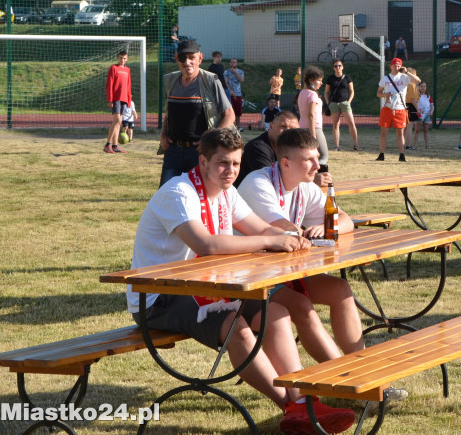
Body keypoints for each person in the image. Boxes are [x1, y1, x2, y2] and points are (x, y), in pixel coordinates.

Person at [126, 127, 357, 435]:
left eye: (235, 163)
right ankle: (291, 407)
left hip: (208, 286)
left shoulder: (226, 192)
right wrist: (269, 243)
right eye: (223, 163)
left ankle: (304, 401)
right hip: (157, 296)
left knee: (278, 312)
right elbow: (206, 245)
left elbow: (261, 229)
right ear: (203, 161)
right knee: (238, 327)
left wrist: (290, 237)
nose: (231, 171)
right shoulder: (179, 192)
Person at [237, 129, 365, 366]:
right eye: (309, 160)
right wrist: (318, 229)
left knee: (340, 289)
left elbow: (346, 220)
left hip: (283, 270)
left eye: (317, 157)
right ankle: (346, 378)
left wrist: (328, 229)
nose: (318, 165)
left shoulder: (306, 185)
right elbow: (282, 229)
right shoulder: (258, 183)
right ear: (285, 163)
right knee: (302, 306)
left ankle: (361, 366)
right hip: (251, 276)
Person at [159, 39, 234, 187]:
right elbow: (169, 113)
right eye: (182, 57)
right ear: (176, 59)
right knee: (166, 197)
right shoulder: (169, 80)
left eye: (191, 57)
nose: (187, 62)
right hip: (173, 152)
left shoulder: (211, 81)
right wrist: (163, 134)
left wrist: (210, 140)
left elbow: (229, 115)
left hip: (199, 153)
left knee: (200, 197)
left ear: (200, 58)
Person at [236, 110, 332, 188]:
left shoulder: (292, 148)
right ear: (271, 126)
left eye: (292, 128)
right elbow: (272, 181)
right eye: (283, 127)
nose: (288, 131)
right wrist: (311, 180)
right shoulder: (257, 147)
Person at [376, 57, 419, 162]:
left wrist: (407, 72)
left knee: (400, 133)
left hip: (400, 109)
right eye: (395, 65)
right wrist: (385, 94)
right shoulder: (385, 78)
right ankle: (381, 154)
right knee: (383, 132)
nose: (396, 67)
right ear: (390, 66)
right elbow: (378, 93)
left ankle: (402, 155)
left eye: (398, 65)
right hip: (388, 108)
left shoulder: (404, 77)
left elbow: (418, 80)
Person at [297, 66, 328, 170]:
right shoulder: (312, 94)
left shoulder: (302, 92)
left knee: (306, 156)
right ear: (311, 80)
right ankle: (317, 179)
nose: (321, 83)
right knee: (323, 156)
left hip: (302, 127)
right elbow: (311, 114)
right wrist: (313, 135)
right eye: (319, 80)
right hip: (314, 128)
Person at [324, 60, 358, 152]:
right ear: (333, 68)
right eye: (335, 66)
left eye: (339, 65)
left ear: (342, 67)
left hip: (345, 103)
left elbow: (352, 91)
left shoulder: (347, 78)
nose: (337, 67)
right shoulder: (330, 78)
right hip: (334, 104)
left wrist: (349, 102)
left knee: (351, 123)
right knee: (335, 125)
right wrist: (328, 103)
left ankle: (356, 145)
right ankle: (337, 146)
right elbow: (326, 92)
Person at [105, 49, 132, 154]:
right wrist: (110, 99)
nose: (122, 60)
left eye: (124, 58)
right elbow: (109, 85)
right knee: (116, 121)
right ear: (118, 58)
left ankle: (115, 145)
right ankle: (108, 144)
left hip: (124, 99)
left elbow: (128, 86)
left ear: (127, 59)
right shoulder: (113, 68)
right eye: (121, 58)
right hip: (116, 98)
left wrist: (129, 100)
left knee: (119, 122)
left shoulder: (127, 70)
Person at [224, 58, 245, 130]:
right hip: (228, 94)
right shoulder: (226, 72)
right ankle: (231, 126)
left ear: (237, 63)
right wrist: (230, 91)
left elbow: (241, 80)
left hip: (238, 94)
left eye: (234, 62)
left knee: (238, 111)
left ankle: (238, 126)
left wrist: (235, 72)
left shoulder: (240, 72)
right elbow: (225, 83)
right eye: (231, 62)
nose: (232, 63)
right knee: (230, 111)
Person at [413, 81, 433, 150]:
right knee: (417, 130)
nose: (423, 88)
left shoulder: (428, 96)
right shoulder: (417, 95)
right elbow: (414, 103)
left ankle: (427, 145)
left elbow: (432, 105)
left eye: (424, 86)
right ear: (419, 87)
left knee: (426, 130)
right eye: (421, 86)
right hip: (419, 114)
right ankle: (415, 145)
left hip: (427, 114)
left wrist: (431, 111)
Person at [404, 67, 421, 149]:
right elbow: (413, 99)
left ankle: (403, 143)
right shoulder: (411, 85)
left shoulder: (405, 84)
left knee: (404, 127)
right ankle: (408, 144)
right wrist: (417, 109)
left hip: (404, 104)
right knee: (409, 127)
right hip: (410, 106)